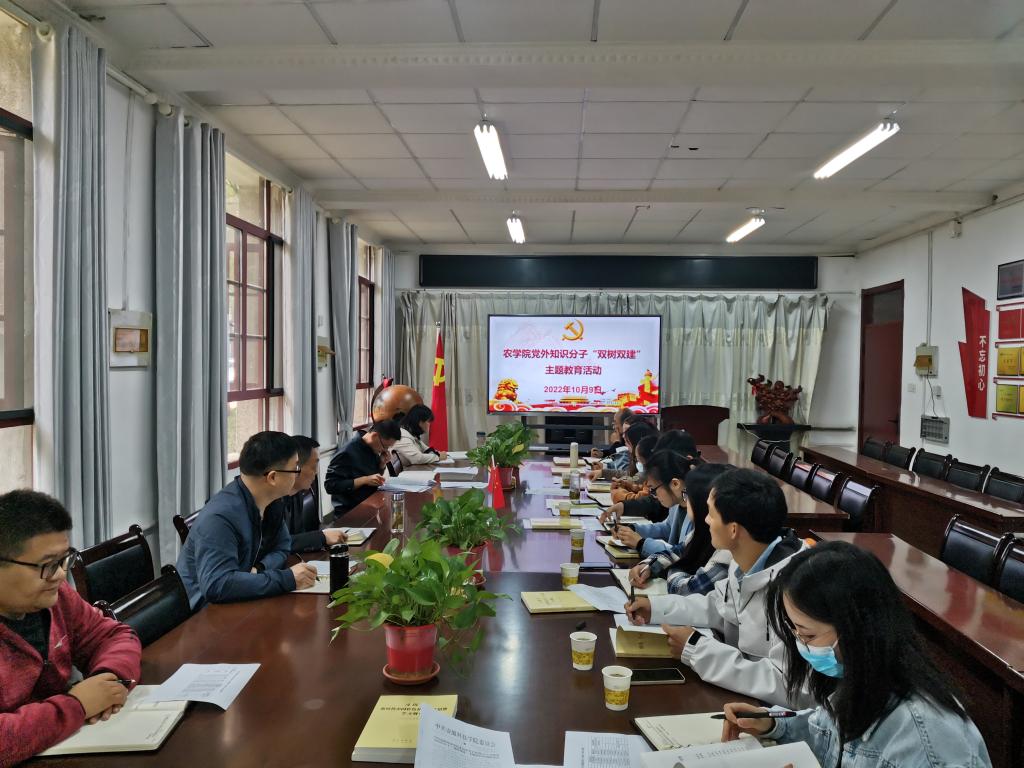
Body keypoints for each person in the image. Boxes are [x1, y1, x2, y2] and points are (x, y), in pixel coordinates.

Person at [721, 541, 992, 768]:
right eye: (794, 632)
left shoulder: (926, 738)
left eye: (808, 636)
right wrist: (772, 724)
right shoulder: (859, 683)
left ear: (856, 630)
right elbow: (826, 735)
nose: (801, 646)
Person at [624, 468, 811, 707]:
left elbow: (789, 685)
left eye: (711, 514)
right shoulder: (746, 558)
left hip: (771, 713)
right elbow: (718, 606)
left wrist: (696, 649)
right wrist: (656, 608)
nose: (705, 520)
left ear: (733, 530)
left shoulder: (797, 589)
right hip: (739, 698)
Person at [0, 490, 142, 766]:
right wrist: (75, 706)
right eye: (47, 565)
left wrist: (108, 678)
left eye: (64, 560)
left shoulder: (55, 598)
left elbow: (113, 635)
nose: (60, 575)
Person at [177, 431, 317, 610]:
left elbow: (282, 546)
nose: (298, 474)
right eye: (295, 468)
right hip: (205, 613)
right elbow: (217, 585)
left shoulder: (271, 502)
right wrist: (287, 579)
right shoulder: (220, 517)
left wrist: (260, 568)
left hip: (242, 596)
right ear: (273, 477)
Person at [627, 462, 733, 597]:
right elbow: (677, 551)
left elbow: (685, 589)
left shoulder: (726, 551)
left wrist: (674, 568)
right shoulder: (702, 531)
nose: (685, 501)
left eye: (687, 496)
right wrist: (648, 565)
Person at [612, 449, 702, 560]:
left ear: (675, 484)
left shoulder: (698, 511)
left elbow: (683, 554)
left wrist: (641, 543)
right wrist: (633, 529)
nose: (654, 496)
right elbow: (666, 528)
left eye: (653, 489)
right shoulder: (678, 501)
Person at [599, 429, 700, 525]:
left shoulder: (696, 502)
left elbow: (654, 505)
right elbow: (656, 506)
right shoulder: (681, 494)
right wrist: (624, 507)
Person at [265, 436, 346, 554]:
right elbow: (277, 543)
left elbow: (299, 533)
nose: (316, 472)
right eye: (313, 467)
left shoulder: (297, 493)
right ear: (295, 467)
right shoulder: (270, 499)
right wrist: (322, 537)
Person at [324, 419, 402, 516]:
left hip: (371, 504)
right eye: (385, 446)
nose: (385, 450)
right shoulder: (347, 452)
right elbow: (330, 485)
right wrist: (364, 480)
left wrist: (382, 464)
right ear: (374, 436)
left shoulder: (371, 447)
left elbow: (373, 476)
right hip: (350, 511)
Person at [591, 421, 658, 481]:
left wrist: (616, 442)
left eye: (627, 442)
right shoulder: (639, 461)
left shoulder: (648, 467)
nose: (623, 436)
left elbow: (634, 479)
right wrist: (603, 472)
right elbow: (629, 475)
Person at [610, 434, 657, 503]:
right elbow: (643, 487)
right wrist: (630, 486)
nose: (625, 445)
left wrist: (618, 494)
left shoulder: (654, 476)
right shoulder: (651, 474)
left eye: (638, 459)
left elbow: (643, 499)